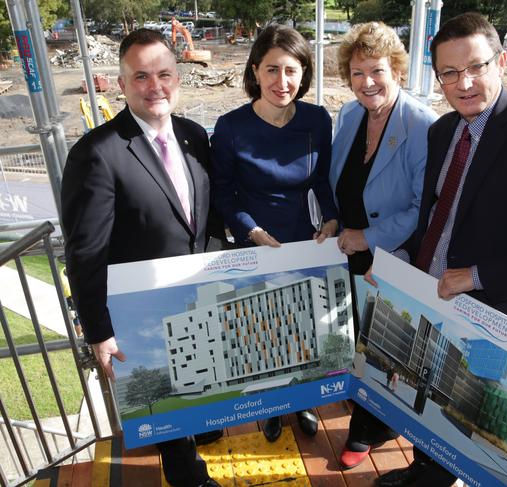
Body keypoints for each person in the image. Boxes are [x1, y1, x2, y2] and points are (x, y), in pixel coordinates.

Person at [375, 13, 507, 487]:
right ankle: (425, 470)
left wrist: (477, 275)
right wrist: (403, 261)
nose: (465, 82)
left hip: (493, 316)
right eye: (449, 73)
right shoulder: (441, 131)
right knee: (431, 402)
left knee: (471, 423)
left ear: (501, 63)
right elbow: (436, 216)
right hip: (432, 301)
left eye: (475, 66)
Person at [61, 29, 223, 487]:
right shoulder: (95, 154)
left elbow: (205, 220)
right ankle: (186, 474)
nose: (155, 86)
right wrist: (100, 331)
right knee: (167, 409)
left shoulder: (193, 136)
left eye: (165, 74)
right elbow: (85, 252)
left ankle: (201, 431)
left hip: (195, 298)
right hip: (143, 313)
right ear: (121, 83)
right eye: (142, 76)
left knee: (198, 385)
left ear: (178, 78)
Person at [210, 24, 338, 443]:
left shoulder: (318, 120)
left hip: (304, 242)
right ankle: (270, 407)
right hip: (257, 243)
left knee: (304, 328)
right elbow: (223, 194)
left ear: (303, 74)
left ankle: (300, 401)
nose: (281, 82)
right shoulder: (230, 127)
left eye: (291, 70)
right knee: (263, 332)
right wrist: (251, 230)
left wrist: (332, 219)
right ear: (254, 71)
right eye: (271, 70)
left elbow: (322, 181)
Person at [329, 21, 438, 470]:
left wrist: (370, 240)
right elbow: (340, 182)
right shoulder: (350, 115)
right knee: (359, 338)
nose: (367, 82)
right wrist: (335, 220)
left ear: (395, 68)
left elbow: (421, 207)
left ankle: (370, 430)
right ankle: (370, 409)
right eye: (357, 73)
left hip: (391, 256)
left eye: (376, 70)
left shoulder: (421, 125)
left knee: (384, 345)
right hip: (349, 253)